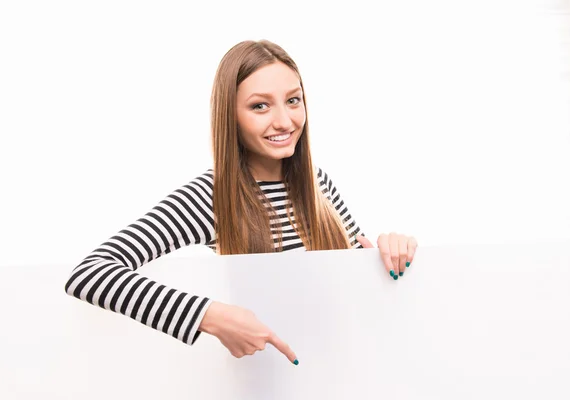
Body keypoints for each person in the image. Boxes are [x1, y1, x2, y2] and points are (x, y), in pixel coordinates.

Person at [64, 39, 418, 366]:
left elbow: (352, 289)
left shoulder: (317, 183)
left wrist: (387, 255)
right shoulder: (212, 197)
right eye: (260, 106)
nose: (285, 120)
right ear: (230, 115)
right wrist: (210, 316)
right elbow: (91, 273)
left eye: (293, 100)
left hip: (335, 376)